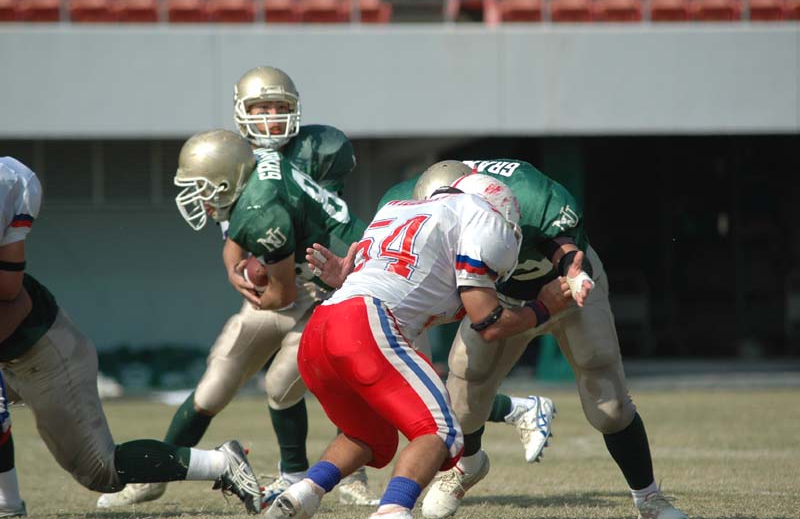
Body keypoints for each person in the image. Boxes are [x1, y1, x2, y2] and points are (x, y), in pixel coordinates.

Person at [97, 67, 381, 509]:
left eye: (279, 107)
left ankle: (331, 473)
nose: (271, 118)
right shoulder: (230, 156)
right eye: (261, 108)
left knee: (298, 382)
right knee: (215, 384)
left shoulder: (317, 149)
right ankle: (157, 474)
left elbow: (313, 224)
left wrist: (263, 270)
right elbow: (236, 234)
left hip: (323, 288)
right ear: (241, 112)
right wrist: (235, 269)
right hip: (277, 277)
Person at [265, 174, 575, 519]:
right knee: (440, 430)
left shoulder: (397, 210)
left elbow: (397, 279)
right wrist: (543, 307)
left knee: (369, 436)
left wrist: (345, 279)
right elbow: (489, 322)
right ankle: (393, 510)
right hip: (363, 324)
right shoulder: (482, 215)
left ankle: (302, 494)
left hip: (321, 329)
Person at [400, 160, 688, 519]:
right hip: (498, 296)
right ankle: (468, 467)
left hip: (561, 289)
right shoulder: (410, 198)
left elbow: (565, 250)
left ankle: (648, 498)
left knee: (608, 405)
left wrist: (575, 274)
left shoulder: (533, 198)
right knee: (463, 393)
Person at [0, 156, 262, 516]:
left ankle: (221, 464)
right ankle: (8, 505)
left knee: (100, 470)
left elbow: (11, 293)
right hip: (13, 353)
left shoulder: (8, 184)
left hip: (43, 352)